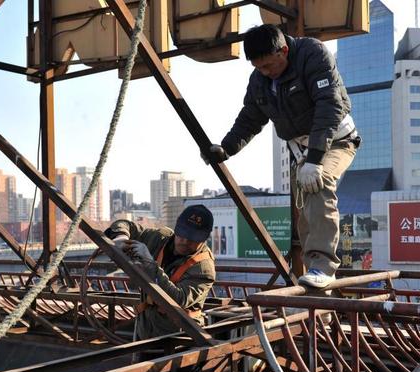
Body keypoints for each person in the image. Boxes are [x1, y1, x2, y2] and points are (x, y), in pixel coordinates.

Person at [202, 24, 360, 289]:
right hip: (301, 151)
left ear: (284, 50)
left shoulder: (313, 54)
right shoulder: (260, 79)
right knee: (306, 211)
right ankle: (313, 271)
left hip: (335, 141)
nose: (265, 72)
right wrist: (226, 148)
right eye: (258, 67)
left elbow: (329, 105)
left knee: (319, 184)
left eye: (268, 66)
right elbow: (251, 117)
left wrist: (316, 159)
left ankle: (324, 266)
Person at [104, 204, 215, 340]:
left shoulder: (204, 268)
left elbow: (177, 299)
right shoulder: (159, 238)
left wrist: (149, 263)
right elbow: (125, 225)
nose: (184, 241)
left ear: (204, 239)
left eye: (192, 239)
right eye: (182, 234)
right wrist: (121, 237)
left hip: (180, 337)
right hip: (145, 330)